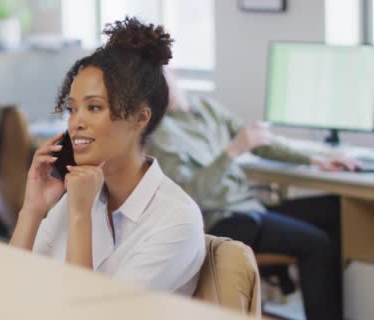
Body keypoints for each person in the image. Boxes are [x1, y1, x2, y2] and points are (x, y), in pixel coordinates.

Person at [9, 17, 205, 295]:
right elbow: (10, 285)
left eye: (94, 107)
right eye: (73, 108)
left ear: (140, 118)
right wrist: (33, 209)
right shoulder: (80, 193)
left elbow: (91, 314)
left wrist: (80, 215)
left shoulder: (176, 219)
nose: (75, 122)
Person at [148, 68, 359, 319]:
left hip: (250, 206)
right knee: (317, 243)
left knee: (335, 209)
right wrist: (233, 151)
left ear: (175, 74)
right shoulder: (159, 134)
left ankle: (317, 295)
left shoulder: (206, 109)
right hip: (225, 218)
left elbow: (257, 141)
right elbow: (190, 196)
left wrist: (316, 160)